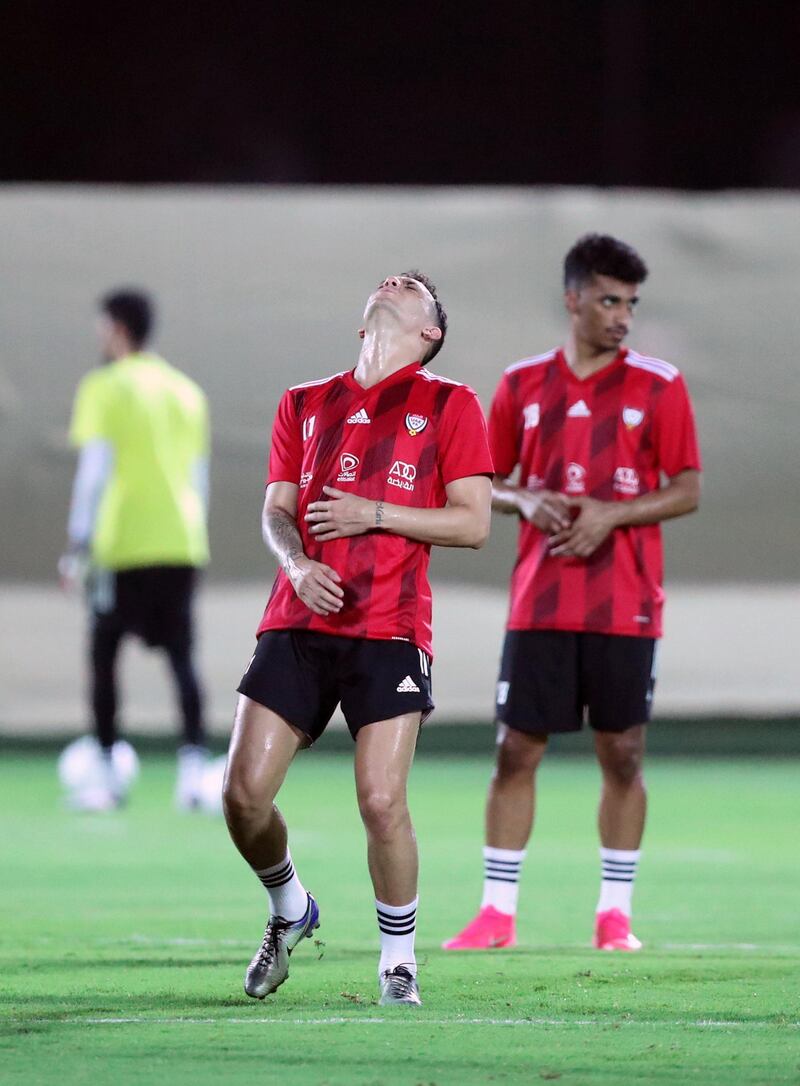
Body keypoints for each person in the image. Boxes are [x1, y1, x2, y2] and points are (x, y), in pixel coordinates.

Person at [223, 271, 493, 1006]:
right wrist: (297, 562)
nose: (397, 280)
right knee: (242, 796)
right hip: (297, 618)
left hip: (389, 627)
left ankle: (397, 960)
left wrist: (376, 513)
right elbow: (277, 510)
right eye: (391, 279)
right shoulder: (304, 402)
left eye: (417, 288)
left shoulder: (451, 403)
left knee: (380, 800)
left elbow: (473, 523)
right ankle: (290, 909)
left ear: (430, 332)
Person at [443, 234, 701, 953]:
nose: (622, 316)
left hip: (627, 603)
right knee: (515, 751)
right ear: (574, 298)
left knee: (622, 753)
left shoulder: (660, 385)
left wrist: (611, 514)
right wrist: (524, 500)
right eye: (609, 300)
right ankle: (496, 913)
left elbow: (688, 488)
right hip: (540, 600)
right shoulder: (523, 385)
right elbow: (478, 480)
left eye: (632, 304)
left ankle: (614, 915)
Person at [61, 289, 211, 811]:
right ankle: (193, 773)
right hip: (181, 542)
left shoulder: (104, 387)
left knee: (103, 657)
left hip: (122, 543)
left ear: (120, 329)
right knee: (183, 659)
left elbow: (94, 471)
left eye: (104, 328)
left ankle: (107, 775)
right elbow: (199, 477)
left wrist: (77, 547)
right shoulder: (186, 392)